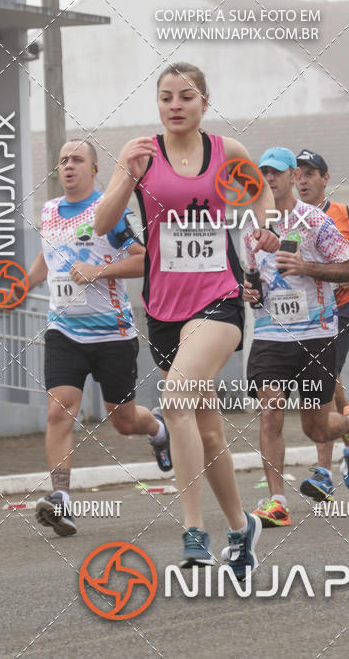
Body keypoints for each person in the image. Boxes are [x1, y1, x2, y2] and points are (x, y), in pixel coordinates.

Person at [95, 62, 279, 579]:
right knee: (208, 430)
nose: (175, 105)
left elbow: (261, 193)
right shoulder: (140, 154)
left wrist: (267, 229)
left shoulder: (227, 152)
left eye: (186, 96)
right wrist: (126, 177)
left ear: (204, 102)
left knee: (174, 399)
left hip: (219, 298)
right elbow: (103, 223)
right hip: (162, 310)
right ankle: (243, 529)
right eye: (166, 97)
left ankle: (194, 532)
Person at [14, 140, 171, 537]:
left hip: (112, 334)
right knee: (58, 410)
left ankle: (158, 430)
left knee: (123, 421)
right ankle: (62, 499)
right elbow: (46, 259)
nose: (67, 166)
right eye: (62, 160)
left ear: (94, 169)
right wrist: (22, 284)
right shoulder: (48, 211)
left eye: (76, 160)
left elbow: (143, 259)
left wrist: (98, 271)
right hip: (63, 330)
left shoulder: (110, 210)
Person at [243, 147, 349, 528]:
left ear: (291, 177)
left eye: (277, 173)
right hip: (270, 335)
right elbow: (252, 281)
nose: (270, 179)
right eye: (263, 173)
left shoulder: (314, 221)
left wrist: (305, 266)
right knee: (270, 412)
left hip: (315, 335)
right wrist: (248, 292)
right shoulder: (250, 226)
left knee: (316, 427)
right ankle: (277, 501)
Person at [294, 149, 349, 498]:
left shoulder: (346, 215)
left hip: (341, 309)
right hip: (303, 313)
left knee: (322, 380)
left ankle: (322, 472)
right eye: (298, 174)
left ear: (325, 178)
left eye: (310, 174)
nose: (302, 181)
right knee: (329, 381)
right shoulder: (286, 218)